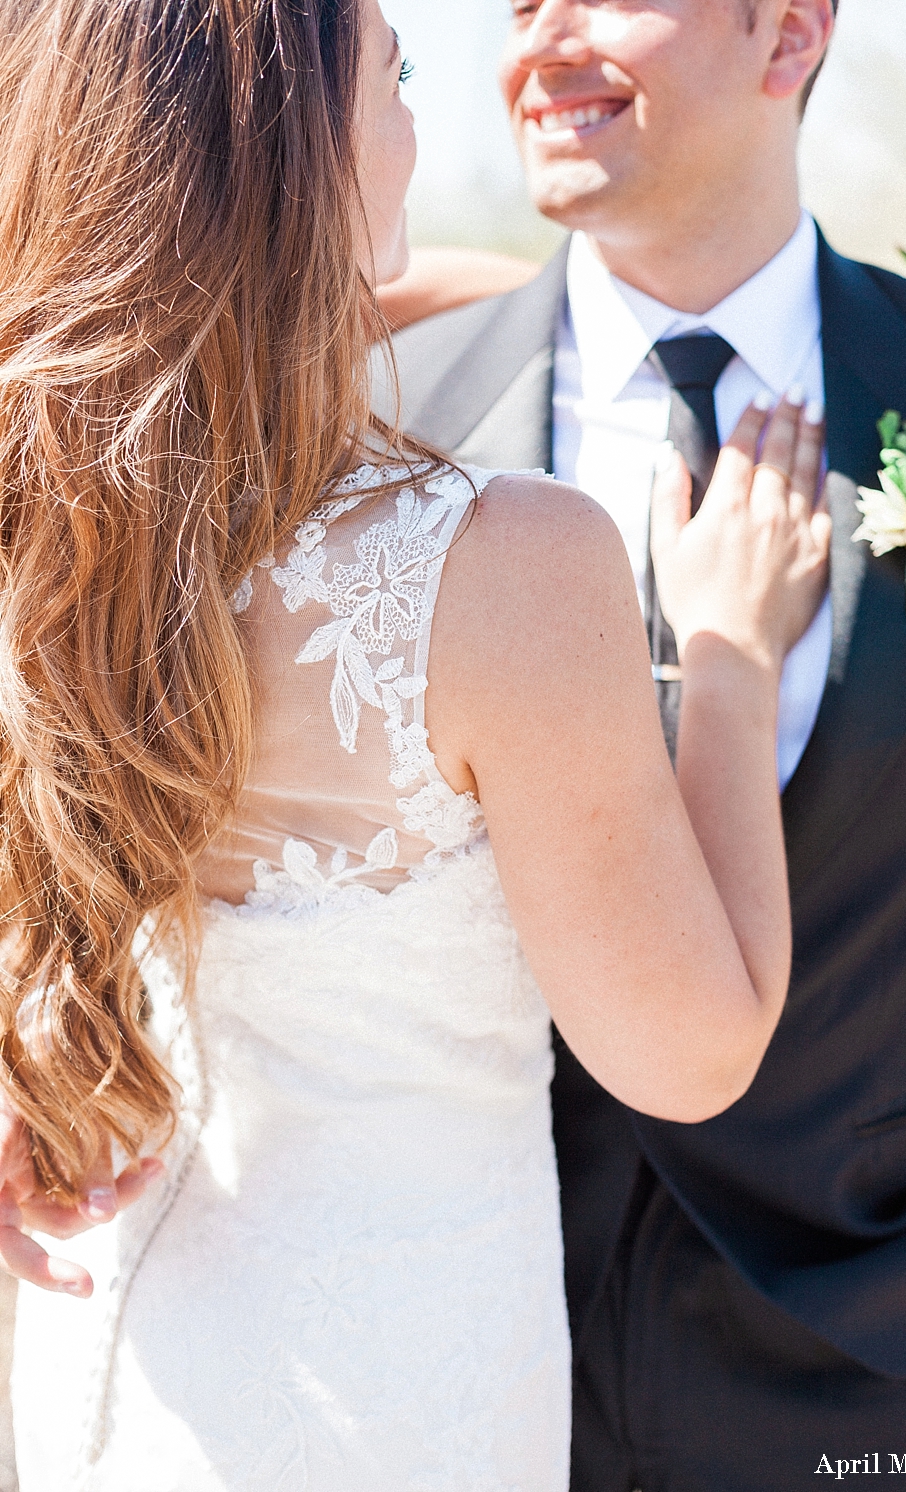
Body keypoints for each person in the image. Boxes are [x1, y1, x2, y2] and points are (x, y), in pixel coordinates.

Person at [0, 0, 830, 1486]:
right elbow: (694, 1051)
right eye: (397, 69)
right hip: (393, 1409)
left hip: (99, 1390)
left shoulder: (44, 531)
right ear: (303, 148)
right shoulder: (502, 567)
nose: (419, 119)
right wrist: (730, 655)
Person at [386, 1, 906, 1488]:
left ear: (787, 34)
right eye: (522, 5)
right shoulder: (395, 413)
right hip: (458, 1335)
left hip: (852, 1332)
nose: (541, 40)